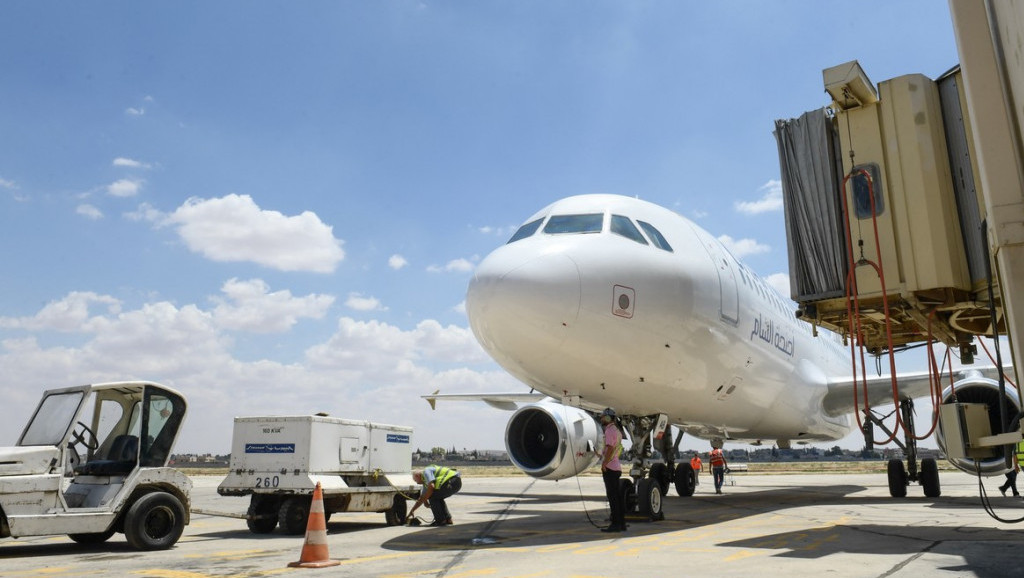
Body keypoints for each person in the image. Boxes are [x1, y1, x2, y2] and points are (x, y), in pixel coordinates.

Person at [599, 408, 626, 533]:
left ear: (609, 418)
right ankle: (621, 523)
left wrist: (604, 463)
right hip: (616, 466)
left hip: (610, 467)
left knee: (613, 498)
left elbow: (610, 448)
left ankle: (615, 524)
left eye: (603, 416)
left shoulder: (609, 430)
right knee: (618, 498)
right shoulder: (618, 431)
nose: (601, 418)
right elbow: (614, 449)